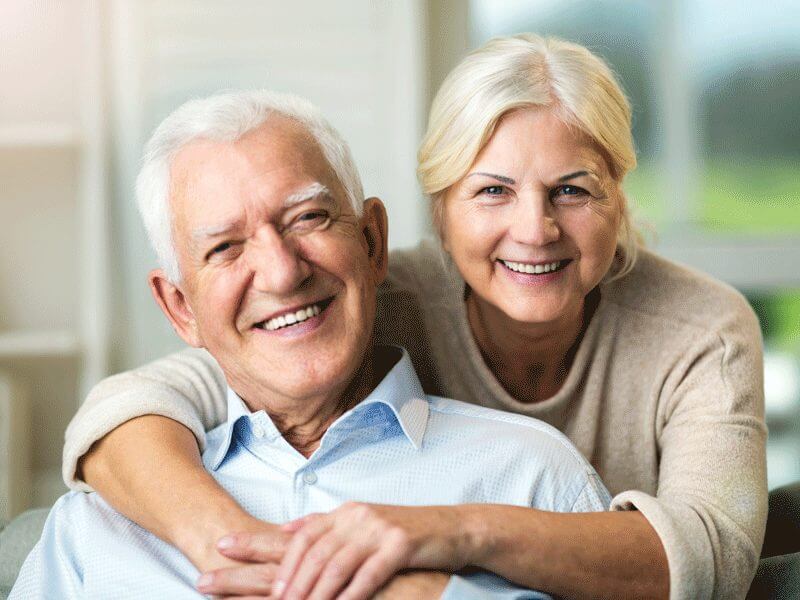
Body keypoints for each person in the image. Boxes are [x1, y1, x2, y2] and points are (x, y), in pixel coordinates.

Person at [63, 34, 767, 600]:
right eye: (492, 190)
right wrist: (244, 551)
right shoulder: (364, 295)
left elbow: (709, 557)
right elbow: (143, 402)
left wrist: (445, 536)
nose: (535, 229)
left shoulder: (700, 330)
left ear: (619, 191)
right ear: (439, 210)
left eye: (573, 190)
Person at [12, 90, 610, 600]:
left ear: (373, 242)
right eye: (225, 248)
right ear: (179, 308)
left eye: (308, 219)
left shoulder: (533, 479)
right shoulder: (98, 529)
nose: (280, 273)